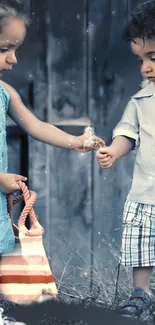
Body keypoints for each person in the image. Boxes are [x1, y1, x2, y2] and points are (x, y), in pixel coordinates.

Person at [0, 1, 105, 324]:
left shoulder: (4, 91)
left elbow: (36, 125)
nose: (13, 59)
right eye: (5, 48)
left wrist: (77, 141)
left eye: (16, 49)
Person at [96, 0, 155, 319]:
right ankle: (141, 293)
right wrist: (113, 151)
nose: (145, 67)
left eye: (153, 57)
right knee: (142, 244)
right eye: (141, 59)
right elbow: (127, 132)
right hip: (147, 191)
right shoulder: (142, 98)